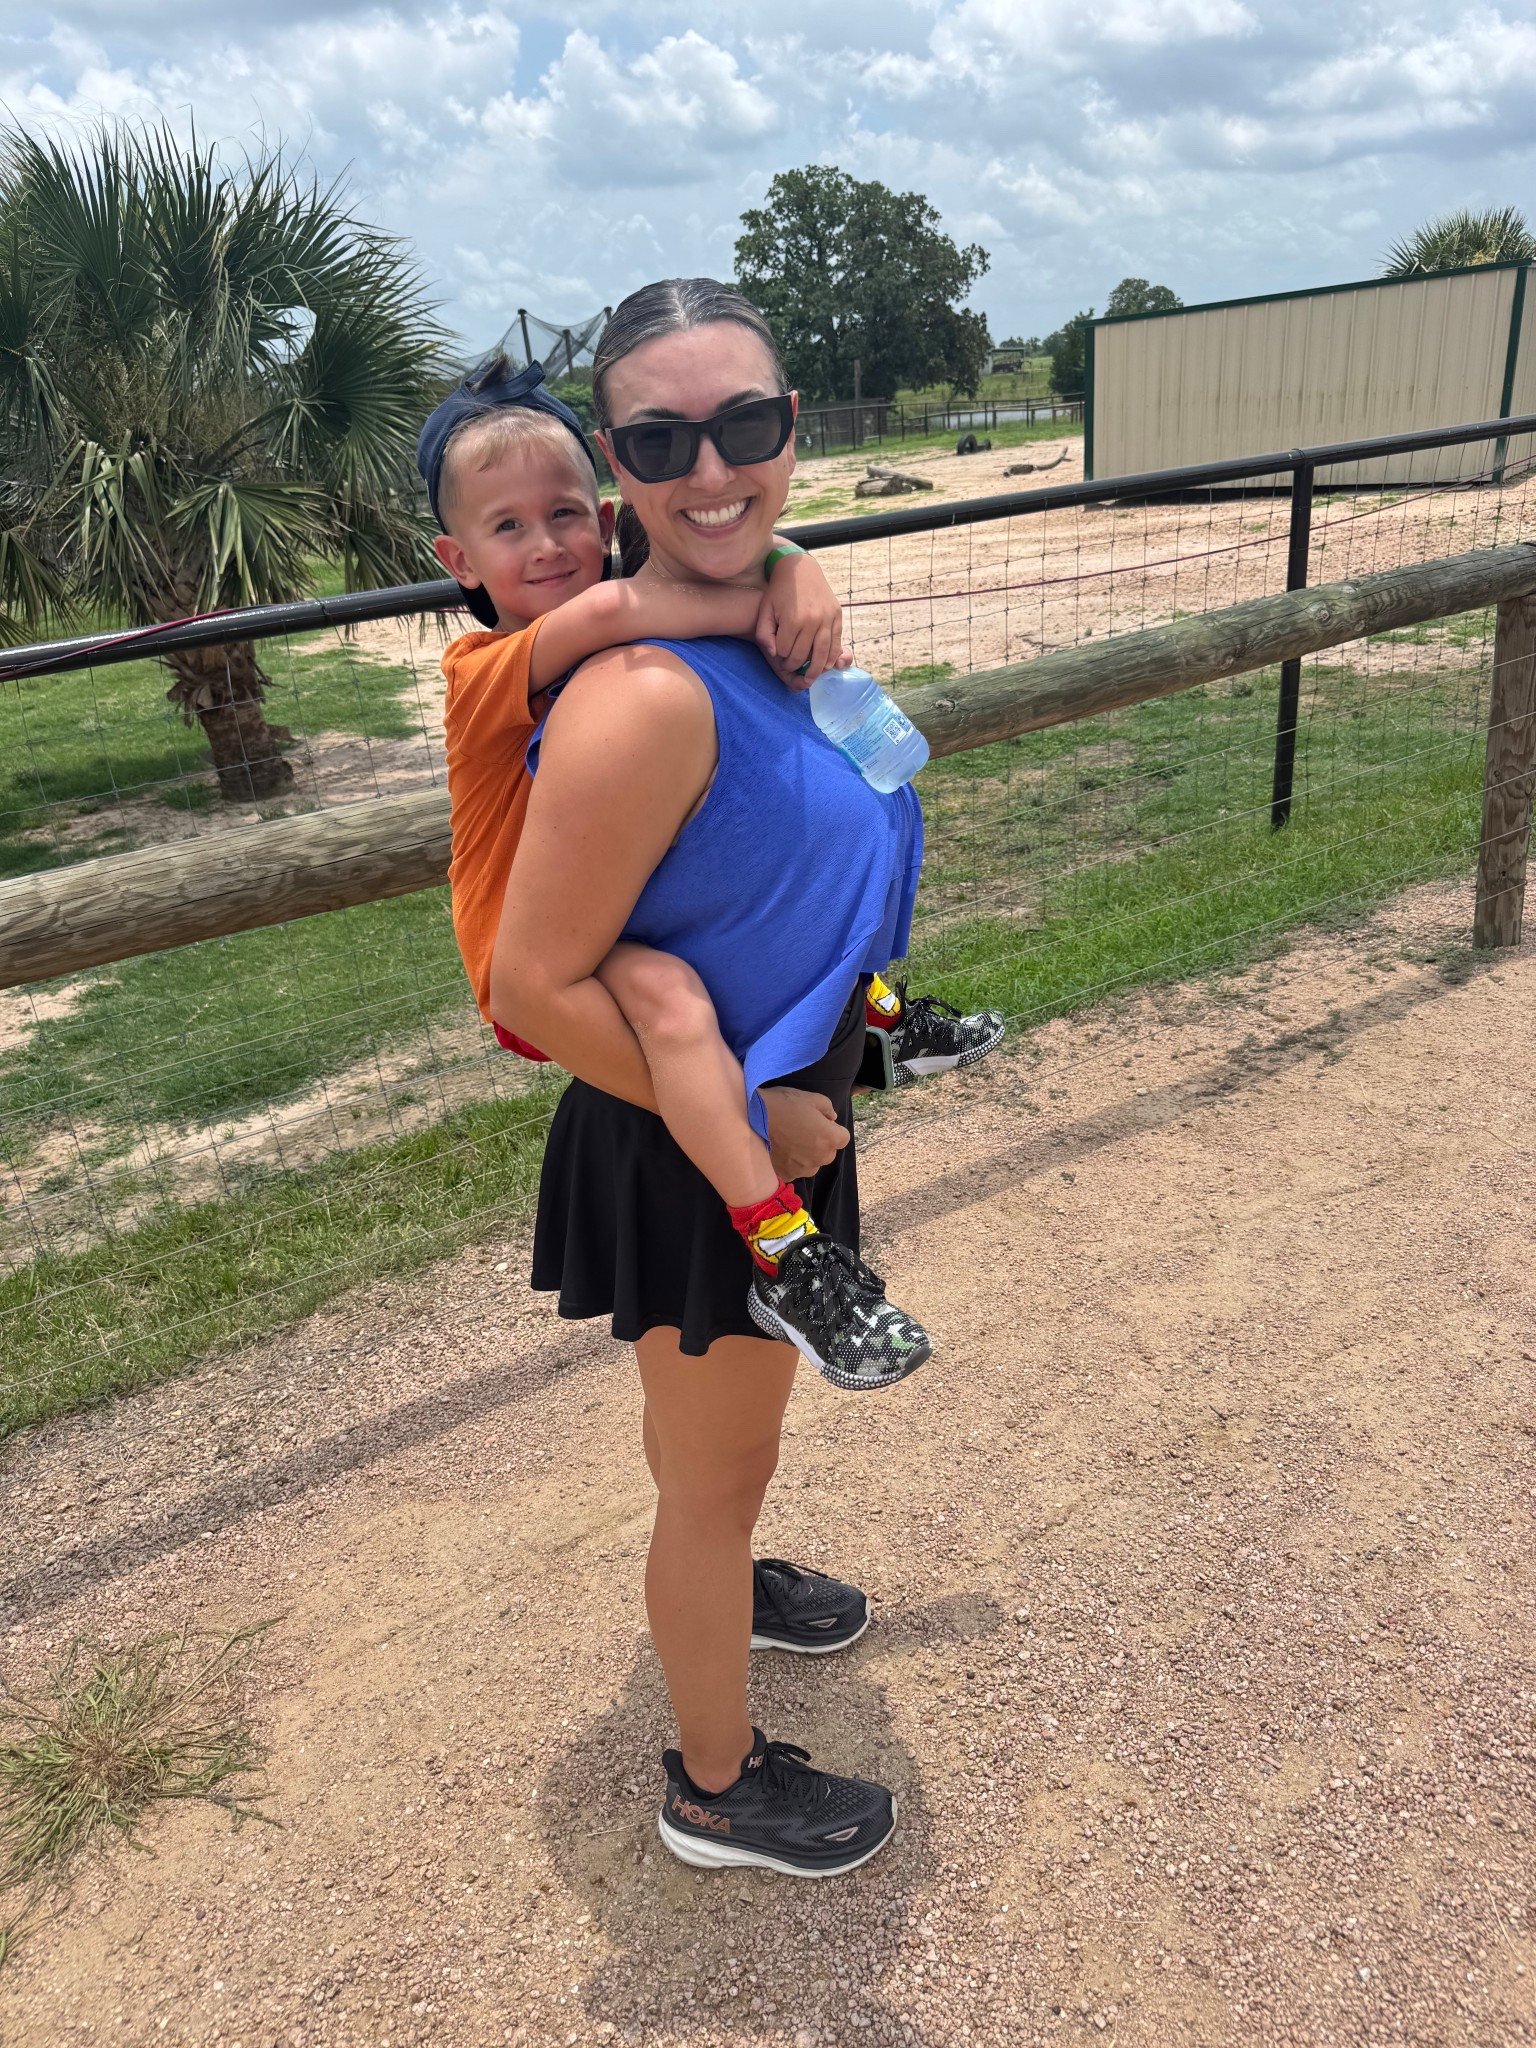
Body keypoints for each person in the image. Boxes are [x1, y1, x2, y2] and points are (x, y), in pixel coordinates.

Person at [489, 278, 952, 1878]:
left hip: (763, 1107)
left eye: (744, 427)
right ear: (617, 465)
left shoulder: (761, 619)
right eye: (662, 440)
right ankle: (714, 1787)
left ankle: (728, 1570)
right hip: (707, 1142)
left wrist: (794, 565)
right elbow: (528, 984)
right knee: (717, 1475)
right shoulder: (645, 697)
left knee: (712, 1460)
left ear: (793, 429)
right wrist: (761, 1120)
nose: (711, 470)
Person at [420, 358, 1000, 1388]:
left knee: (749, 922)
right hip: (538, 952)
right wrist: (778, 600)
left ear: (603, 515)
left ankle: (881, 1024)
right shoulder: (487, 668)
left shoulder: (614, 601)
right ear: (456, 557)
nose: (547, 544)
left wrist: (790, 555)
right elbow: (615, 614)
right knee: (680, 1000)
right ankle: (783, 1247)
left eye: (563, 513)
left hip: (616, 916)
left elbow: (716, 540)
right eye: (507, 528)